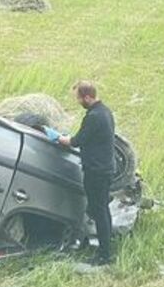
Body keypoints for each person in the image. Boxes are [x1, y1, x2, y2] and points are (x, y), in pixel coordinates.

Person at [44, 81, 116, 266]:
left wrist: (59, 138)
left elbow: (77, 141)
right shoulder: (105, 112)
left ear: (87, 97)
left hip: (96, 170)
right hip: (105, 168)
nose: (78, 102)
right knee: (102, 211)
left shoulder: (93, 116)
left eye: (78, 98)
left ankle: (104, 256)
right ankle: (106, 249)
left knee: (98, 211)